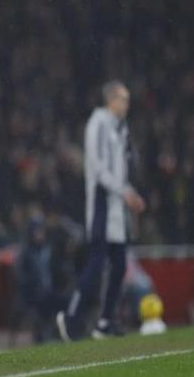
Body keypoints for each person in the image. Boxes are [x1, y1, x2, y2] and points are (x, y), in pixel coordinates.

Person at [56, 81, 146, 340]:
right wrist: (125, 193)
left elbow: (121, 172)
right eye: (122, 98)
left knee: (119, 265)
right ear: (110, 100)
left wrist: (131, 193)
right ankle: (70, 317)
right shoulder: (98, 123)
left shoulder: (121, 129)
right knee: (96, 264)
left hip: (117, 209)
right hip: (101, 205)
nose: (126, 104)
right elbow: (97, 168)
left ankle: (105, 321)